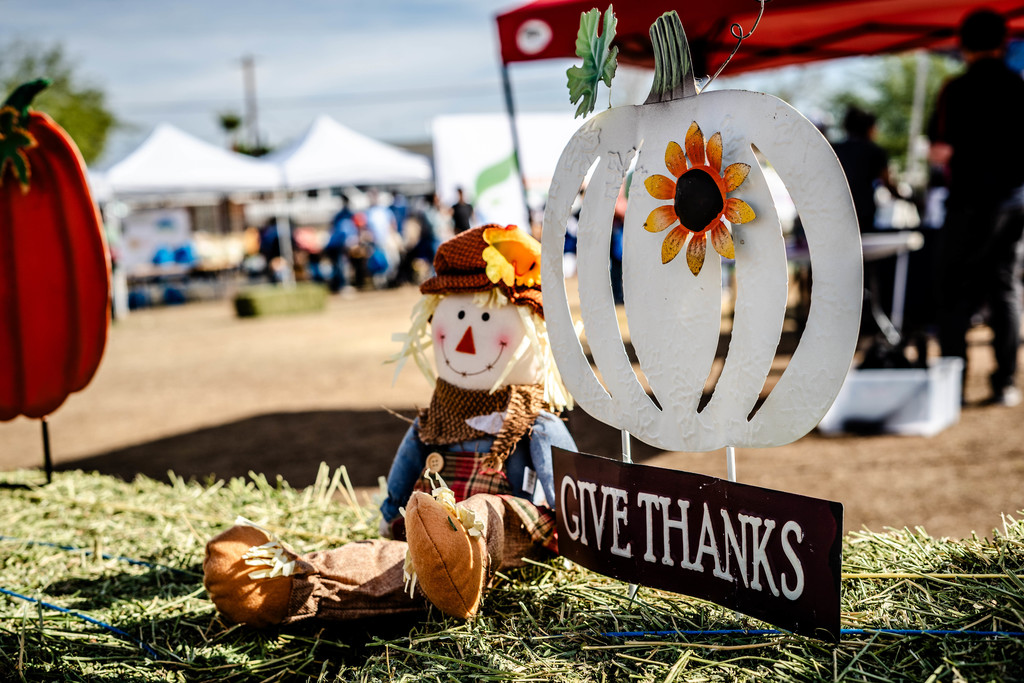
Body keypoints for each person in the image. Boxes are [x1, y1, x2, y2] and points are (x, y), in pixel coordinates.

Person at [203, 225, 577, 626]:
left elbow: (573, 495)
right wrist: (390, 519)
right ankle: (285, 581)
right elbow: (401, 481)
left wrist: (576, 538)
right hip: (425, 542)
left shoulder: (535, 424)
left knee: (483, 512)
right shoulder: (433, 421)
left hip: (507, 534)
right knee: (387, 560)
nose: (467, 338)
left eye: (485, 316)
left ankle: (457, 554)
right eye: (460, 315)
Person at [928, 8, 1024, 406]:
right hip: (1014, 202)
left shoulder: (956, 89)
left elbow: (939, 151)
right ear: (1003, 42)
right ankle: (1005, 384)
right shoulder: (1018, 85)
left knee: (955, 292)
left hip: (969, 202)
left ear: (963, 44)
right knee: (1004, 287)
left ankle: (954, 386)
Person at [833, 106, 891, 234]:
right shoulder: (875, 151)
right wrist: (912, 200)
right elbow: (888, 183)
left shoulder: (834, 149)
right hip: (862, 213)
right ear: (870, 128)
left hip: (834, 211)